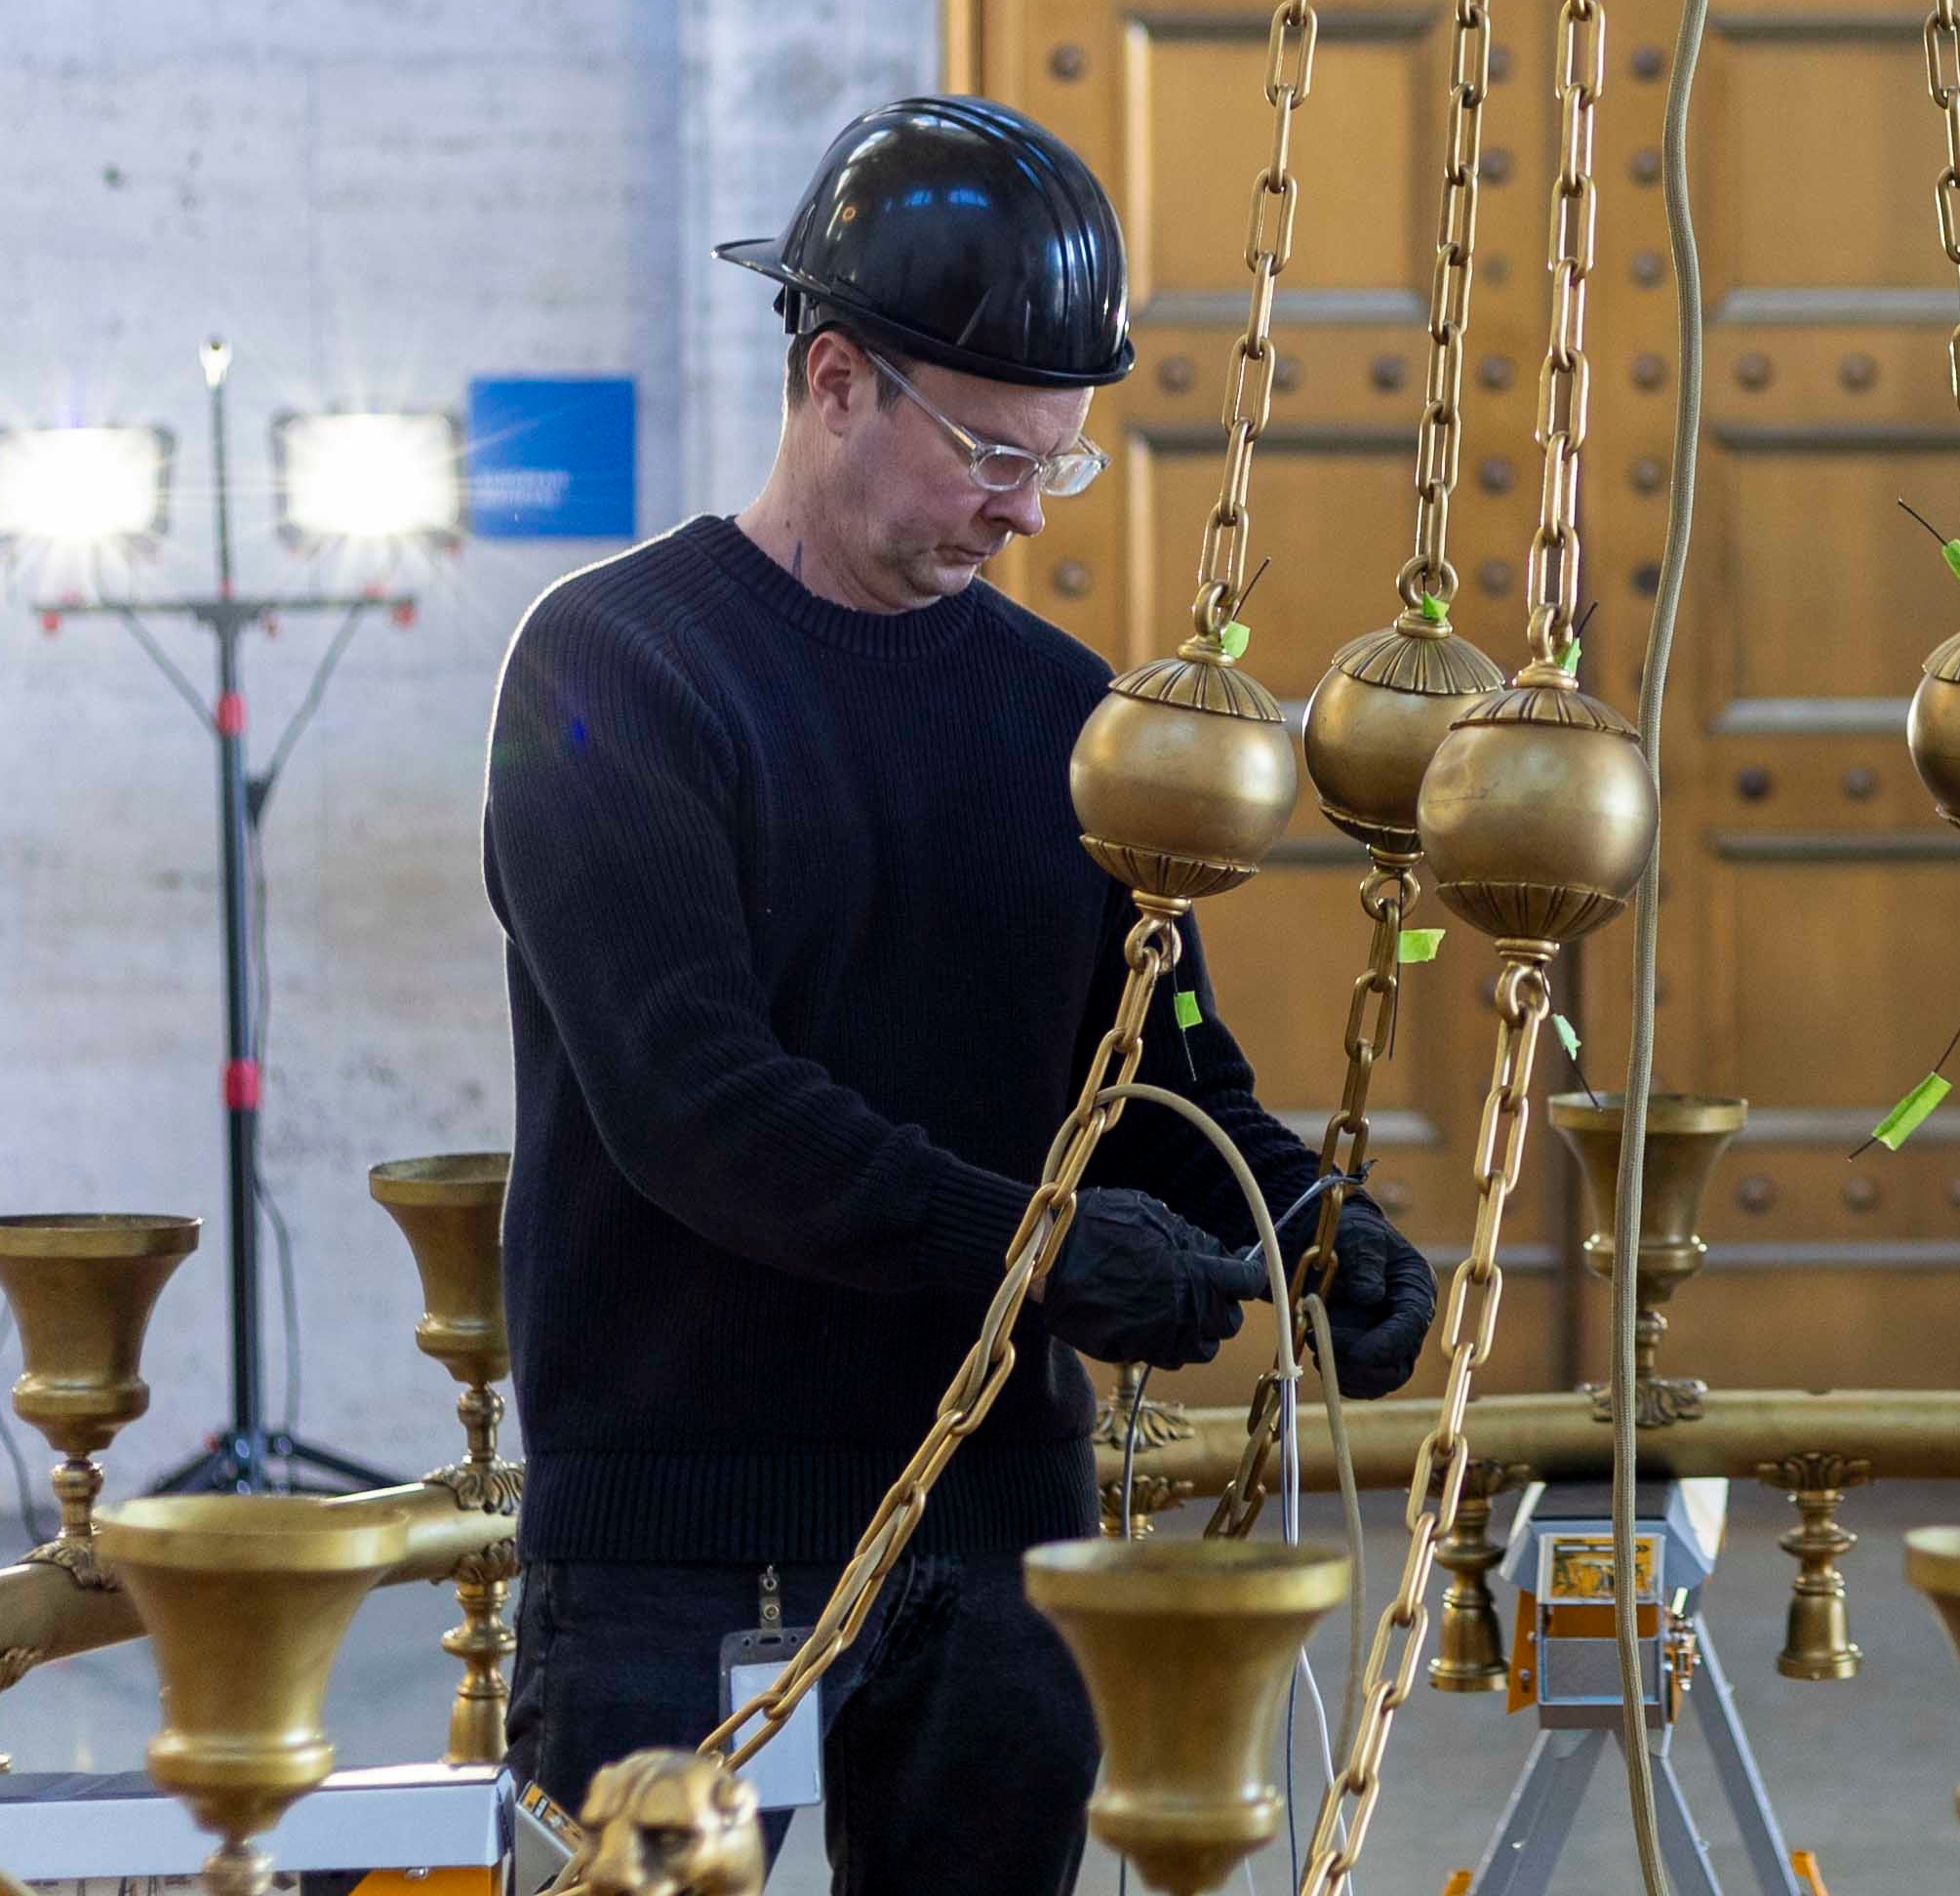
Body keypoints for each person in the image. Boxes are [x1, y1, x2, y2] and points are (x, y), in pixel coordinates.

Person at [486, 96, 1441, 1894]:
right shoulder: (613, 667)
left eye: (1057, 462)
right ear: (835, 378)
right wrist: (1036, 1251)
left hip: (1001, 1541)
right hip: (685, 1552)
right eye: (993, 453)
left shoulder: (1062, 712)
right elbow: (699, 1103)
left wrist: (1316, 1225)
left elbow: (1158, 1076)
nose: (1024, 507)